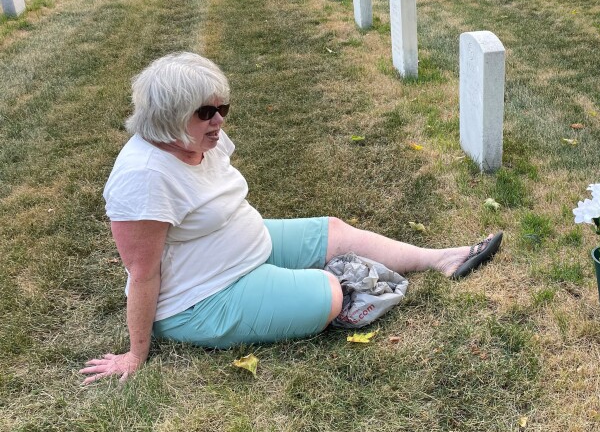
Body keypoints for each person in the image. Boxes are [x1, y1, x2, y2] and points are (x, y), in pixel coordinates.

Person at [80, 52, 503, 384]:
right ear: (170, 120)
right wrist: (136, 354)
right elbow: (142, 272)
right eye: (205, 112)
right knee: (329, 294)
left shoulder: (203, 139)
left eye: (222, 106)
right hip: (202, 295)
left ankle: (442, 258)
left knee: (335, 230)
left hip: (248, 246)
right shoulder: (143, 178)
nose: (220, 120)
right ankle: (329, 283)